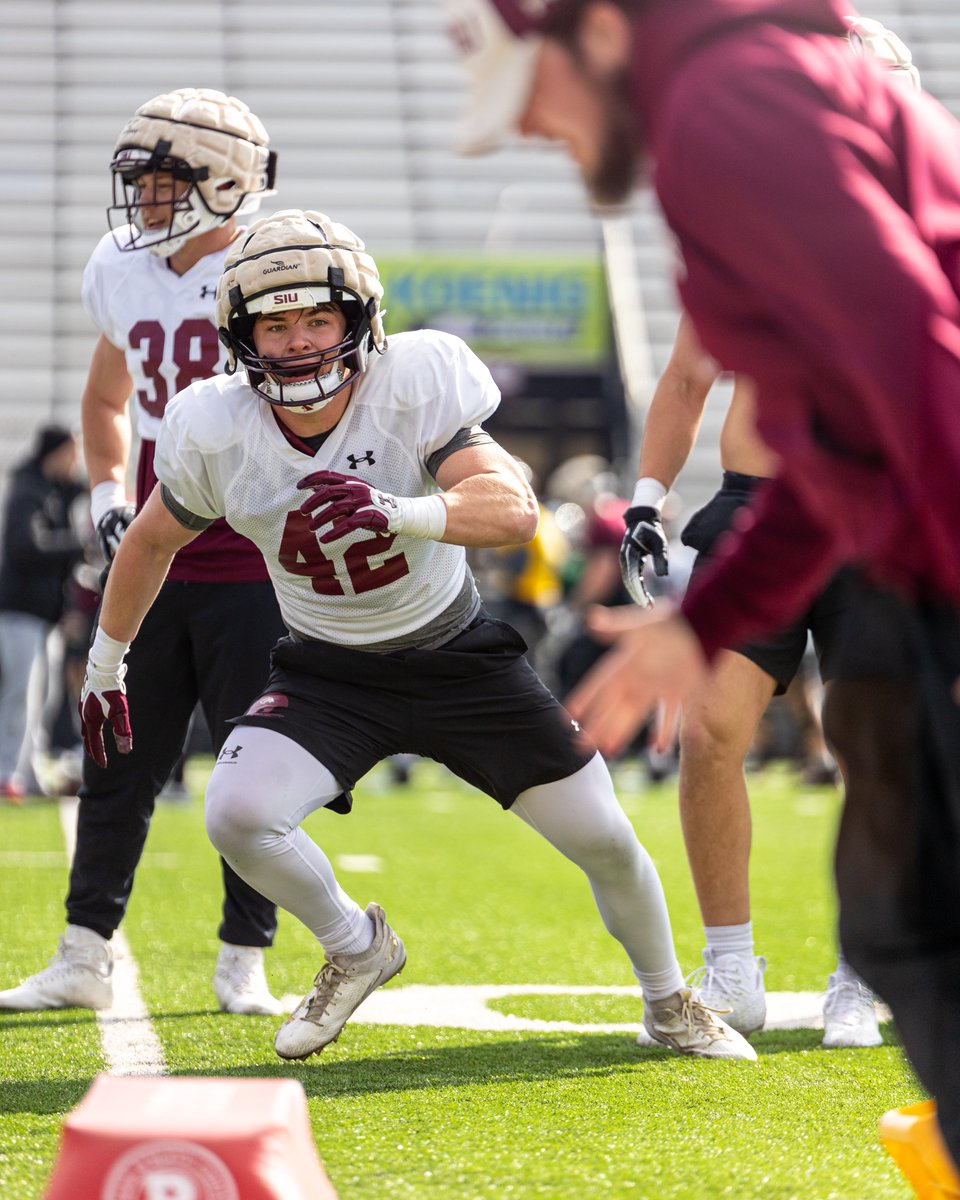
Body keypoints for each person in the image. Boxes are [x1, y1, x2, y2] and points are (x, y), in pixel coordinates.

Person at [445, 0, 960, 1166]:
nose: (531, 134)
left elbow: (907, 357)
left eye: (534, 98)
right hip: (874, 505)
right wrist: (713, 611)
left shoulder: (734, 110)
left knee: (916, 898)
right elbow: (849, 422)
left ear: (603, 42)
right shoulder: (742, 104)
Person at [75, 207, 757, 1064]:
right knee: (238, 814)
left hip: (454, 656)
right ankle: (356, 945)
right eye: (276, 324)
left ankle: (669, 1004)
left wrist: (403, 512)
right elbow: (149, 541)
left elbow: (512, 509)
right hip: (329, 672)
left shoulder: (414, 382)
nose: (297, 342)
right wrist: (107, 664)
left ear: (358, 320)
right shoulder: (215, 425)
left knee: (604, 838)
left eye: (317, 318)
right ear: (241, 334)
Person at [0, 88, 286, 1017]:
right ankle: (84, 953)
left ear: (227, 183)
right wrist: (107, 497)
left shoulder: (273, 264)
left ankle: (247, 955)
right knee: (115, 758)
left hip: (254, 551)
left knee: (261, 765)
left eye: (162, 182)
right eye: (139, 182)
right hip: (155, 552)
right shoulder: (123, 269)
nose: (144, 203)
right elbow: (105, 400)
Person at [619, 310, 879, 1047]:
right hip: (752, 503)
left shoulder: (911, 227)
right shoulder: (735, 232)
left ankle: (861, 973)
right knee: (707, 731)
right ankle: (732, 970)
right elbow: (686, 377)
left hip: (873, 508)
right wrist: (647, 496)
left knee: (872, 746)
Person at [0, 425, 87, 801]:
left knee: (44, 698)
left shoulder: (50, 490)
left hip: (42, 616)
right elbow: (25, 546)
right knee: (21, 696)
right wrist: (80, 545)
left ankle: (29, 773)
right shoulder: (29, 492)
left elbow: (81, 487)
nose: (76, 459)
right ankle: (6, 772)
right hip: (21, 612)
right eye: (71, 451)